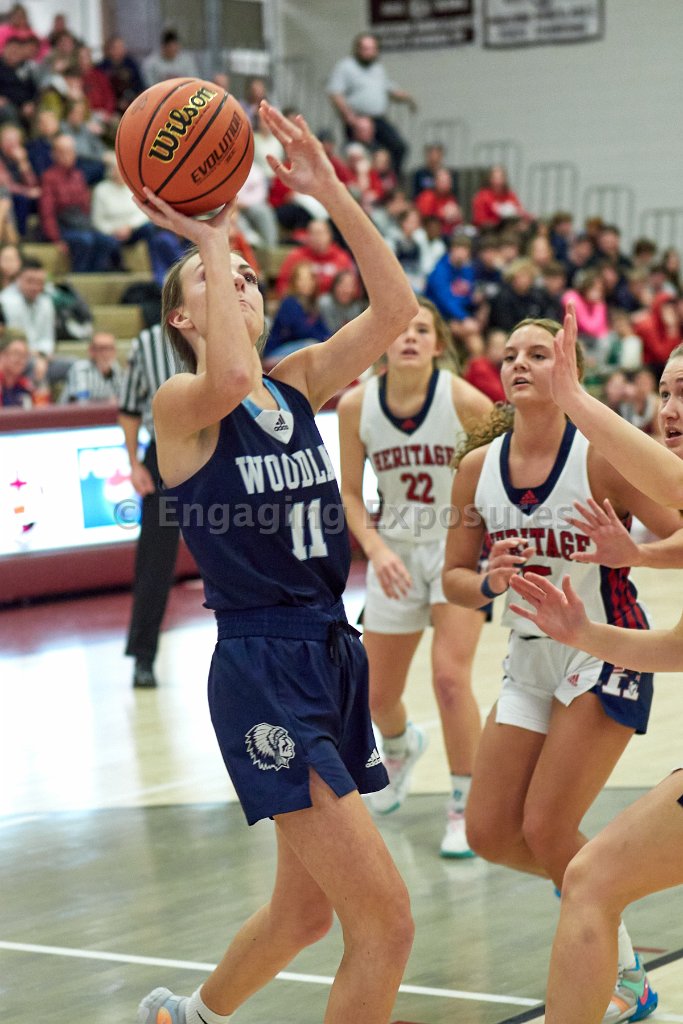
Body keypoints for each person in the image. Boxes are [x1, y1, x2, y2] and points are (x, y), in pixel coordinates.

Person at [132, 99, 418, 1024]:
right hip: (262, 667)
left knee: (304, 915)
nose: (242, 282)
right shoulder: (181, 405)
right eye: (218, 279)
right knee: (386, 925)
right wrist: (213, 233)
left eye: (252, 276)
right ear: (183, 317)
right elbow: (225, 377)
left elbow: (397, 311)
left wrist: (328, 188)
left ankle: (186, 1017)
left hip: (329, 653)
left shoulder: (296, 383)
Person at [441, 314, 681, 1023]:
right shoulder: (476, 471)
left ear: (567, 367)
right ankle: (609, 918)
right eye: (510, 353)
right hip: (530, 652)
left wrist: (634, 555)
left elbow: (679, 526)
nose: (520, 363)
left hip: (603, 649)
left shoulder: (601, 459)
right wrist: (488, 582)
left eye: (539, 353)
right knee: (490, 832)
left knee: (550, 832)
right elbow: (452, 580)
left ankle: (620, 964)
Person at [337, 297, 492, 856]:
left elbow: (502, 473)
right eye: (401, 328)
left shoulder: (465, 401)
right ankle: (400, 747)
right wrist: (376, 551)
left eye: (422, 329)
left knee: (450, 679)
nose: (409, 337)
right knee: (376, 695)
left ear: (437, 344)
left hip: (457, 550)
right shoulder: (357, 406)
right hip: (395, 551)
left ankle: (465, 804)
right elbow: (350, 494)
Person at [118, 322, 178, 689]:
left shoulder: (227, 328)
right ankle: (143, 657)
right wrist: (134, 463)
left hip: (220, 447)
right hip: (165, 453)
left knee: (244, 552)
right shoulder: (147, 343)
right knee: (155, 562)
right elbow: (128, 408)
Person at [327, 32, 416, 175]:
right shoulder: (345, 67)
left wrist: (408, 98)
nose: (369, 52)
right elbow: (335, 93)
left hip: (378, 119)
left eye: (372, 49)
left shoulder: (378, 69)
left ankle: (390, 182)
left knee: (399, 147)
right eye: (365, 48)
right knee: (359, 154)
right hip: (357, 120)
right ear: (357, 49)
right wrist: (350, 117)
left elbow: (389, 88)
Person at [38, 133, 119, 272]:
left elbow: (85, 206)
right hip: (63, 226)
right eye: (62, 152)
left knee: (107, 241)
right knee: (85, 240)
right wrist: (56, 238)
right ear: (54, 154)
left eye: (70, 151)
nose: (67, 156)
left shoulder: (78, 175)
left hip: (81, 224)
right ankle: (80, 275)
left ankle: (95, 274)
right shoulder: (49, 177)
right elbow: (47, 212)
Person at [262, 261, 330, 362]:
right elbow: (300, 331)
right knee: (312, 346)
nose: (306, 283)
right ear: (294, 282)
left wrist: (328, 339)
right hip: (276, 352)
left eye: (309, 279)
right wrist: (322, 339)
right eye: (301, 279)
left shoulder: (312, 304)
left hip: (299, 348)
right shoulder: (289, 303)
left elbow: (324, 330)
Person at [0, 255, 55, 354]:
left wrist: (43, 355)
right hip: (14, 355)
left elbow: (48, 338)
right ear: (18, 279)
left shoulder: (46, 302)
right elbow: (15, 340)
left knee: (74, 362)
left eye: (39, 282)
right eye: (30, 281)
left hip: (41, 355)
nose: (35, 287)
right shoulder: (6, 301)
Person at [59, 331, 122, 403]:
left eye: (110, 348)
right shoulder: (80, 368)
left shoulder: (115, 368)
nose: (106, 353)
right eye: (101, 349)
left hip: (104, 409)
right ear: (91, 351)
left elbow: (121, 396)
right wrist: (108, 402)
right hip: (74, 410)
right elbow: (81, 401)